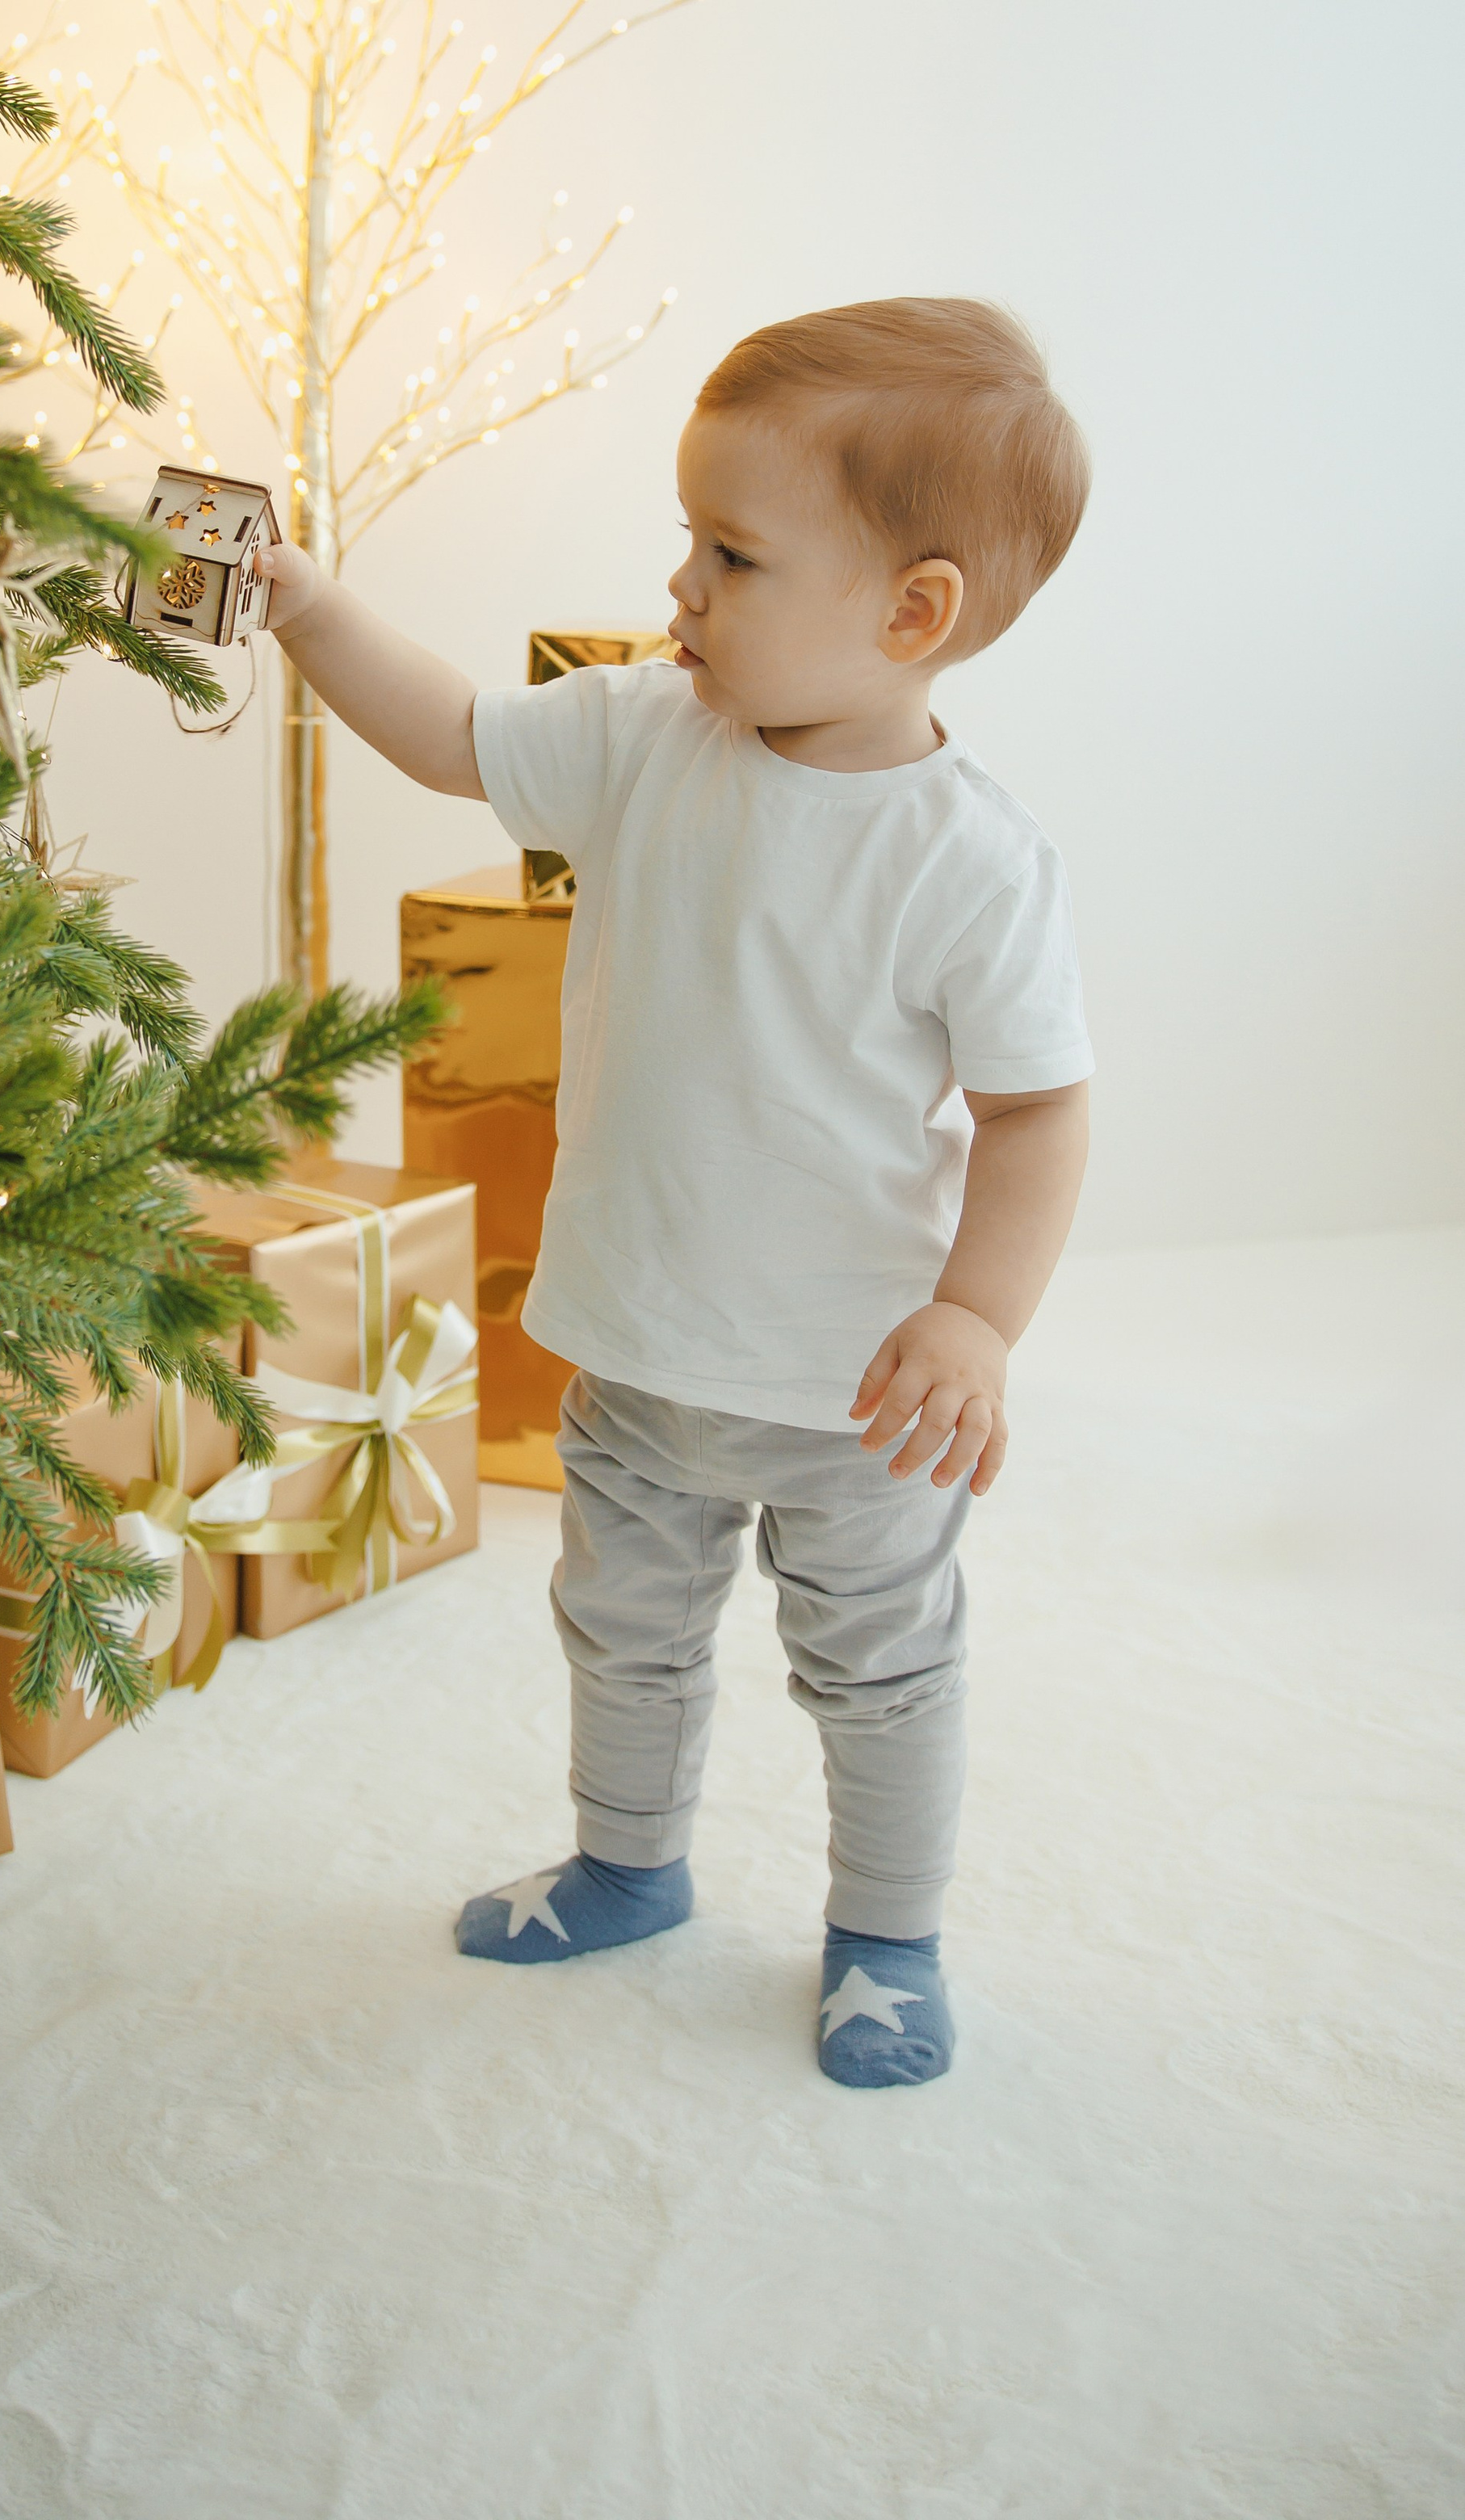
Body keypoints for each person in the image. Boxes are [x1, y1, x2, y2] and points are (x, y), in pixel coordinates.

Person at [254, 299, 1094, 2087]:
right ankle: (626, 1865)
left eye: (730, 552)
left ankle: (881, 1935)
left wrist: (974, 1317)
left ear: (910, 612)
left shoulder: (971, 867)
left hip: (850, 1394)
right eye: (685, 539)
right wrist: (309, 603)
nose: (681, 586)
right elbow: (455, 737)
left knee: (876, 1675)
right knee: (618, 1634)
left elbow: (1034, 1114)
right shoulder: (643, 737)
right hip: (633, 1356)